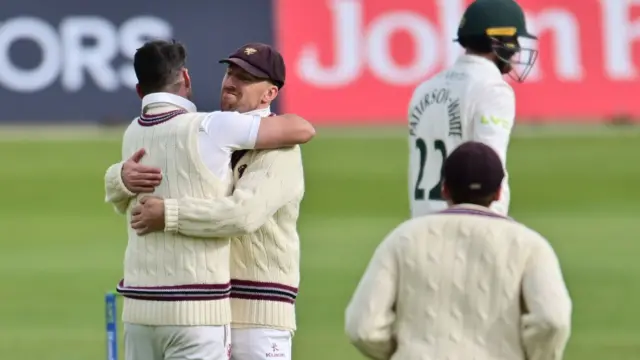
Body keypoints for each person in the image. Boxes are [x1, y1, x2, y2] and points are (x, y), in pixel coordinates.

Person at [104, 40, 315, 360]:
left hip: (257, 315)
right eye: (230, 72)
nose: (231, 82)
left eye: (244, 77)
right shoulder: (213, 131)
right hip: (209, 307)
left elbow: (242, 216)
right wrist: (120, 177)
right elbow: (159, 162)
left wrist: (169, 214)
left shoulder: (279, 151)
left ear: (269, 94)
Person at [345, 141, 572, 360]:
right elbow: (552, 320)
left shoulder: (404, 238)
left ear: (444, 189)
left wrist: (401, 353)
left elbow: (362, 327)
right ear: (499, 193)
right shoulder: (530, 245)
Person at [408, 0, 538, 217]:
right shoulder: (493, 89)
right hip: (467, 226)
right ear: (499, 41)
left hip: (421, 225)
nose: (516, 50)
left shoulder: (425, 89)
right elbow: (489, 169)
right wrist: (495, 224)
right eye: (514, 40)